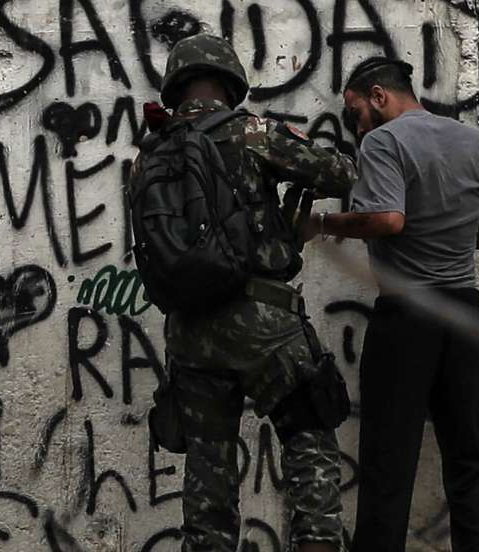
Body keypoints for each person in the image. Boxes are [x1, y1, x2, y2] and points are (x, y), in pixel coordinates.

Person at [130, 34, 357, 552]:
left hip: (191, 334)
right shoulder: (250, 132)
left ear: (175, 88)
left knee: (208, 477)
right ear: (230, 83)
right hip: (264, 324)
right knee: (309, 446)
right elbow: (339, 173)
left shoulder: (149, 156)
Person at [306, 57, 479, 552]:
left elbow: (387, 220)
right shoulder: (472, 140)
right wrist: (450, 237)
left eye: (356, 111)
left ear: (379, 96)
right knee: (470, 458)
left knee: (388, 464)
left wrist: (322, 225)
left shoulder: (383, 141)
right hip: (466, 316)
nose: (356, 125)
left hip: (408, 317)